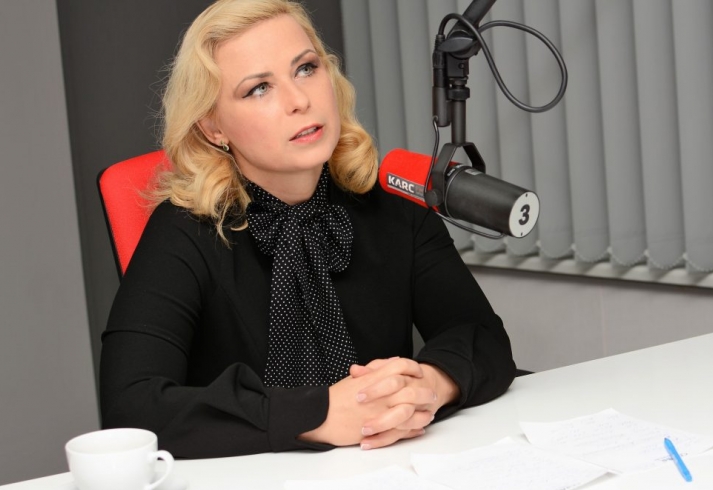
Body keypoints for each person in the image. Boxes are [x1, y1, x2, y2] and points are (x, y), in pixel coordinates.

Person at [99, 0, 517, 459]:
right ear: (213, 127)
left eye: (306, 68)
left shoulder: (393, 203)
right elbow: (129, 407)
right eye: (259, 88)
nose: (299, 100)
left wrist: (432, 384)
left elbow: (483, 337)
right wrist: (317, 414)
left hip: (388, 467)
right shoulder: (182, 230)